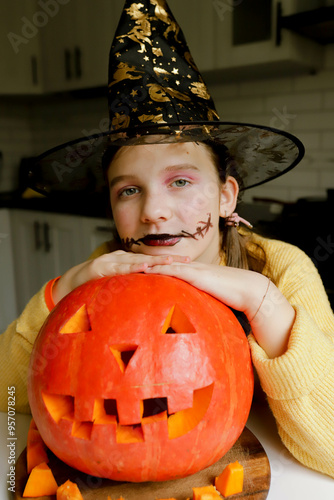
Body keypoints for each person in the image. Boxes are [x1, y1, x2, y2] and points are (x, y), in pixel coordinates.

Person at [1, 0, 334, 480]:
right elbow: (5, 396)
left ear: (226, 196)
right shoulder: (107, 270)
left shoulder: (279, 269)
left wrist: (266, 307)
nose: (153, 210)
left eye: (180, 181)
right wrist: (63, 289)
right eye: (130, 190)